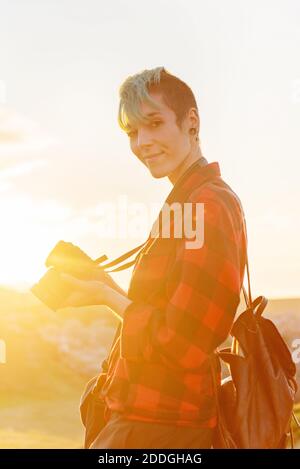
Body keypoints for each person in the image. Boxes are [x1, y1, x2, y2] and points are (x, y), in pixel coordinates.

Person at [59, 66, 247, 449]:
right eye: (132, 132)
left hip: (162, 425)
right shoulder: (188, 201)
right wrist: (102, 285)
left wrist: (105, 297)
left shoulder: (205, 205)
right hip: (149, 417)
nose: (142, 141)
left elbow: (183, 342)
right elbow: (163, 314)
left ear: (191, 122)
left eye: (155, 123)